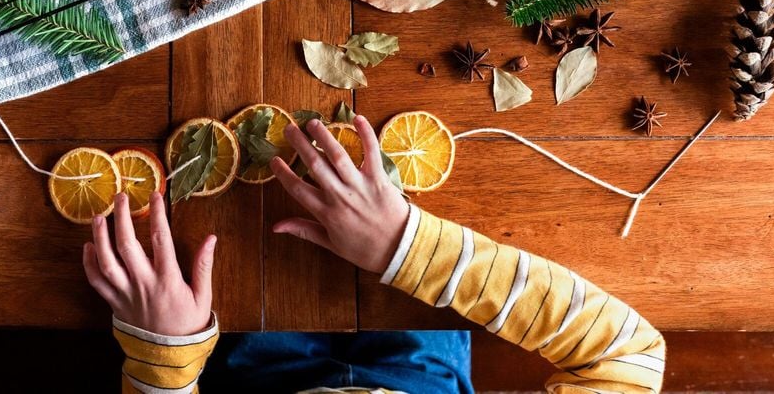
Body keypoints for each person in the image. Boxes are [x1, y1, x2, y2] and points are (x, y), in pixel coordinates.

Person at [83, 115, 666, 393]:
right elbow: (631, 359)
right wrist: (405, 247)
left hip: (259, 371)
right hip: (422, 366)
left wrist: (167, 354)